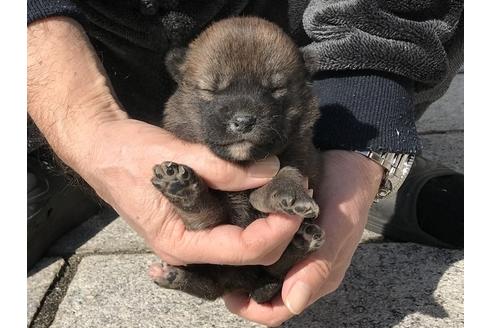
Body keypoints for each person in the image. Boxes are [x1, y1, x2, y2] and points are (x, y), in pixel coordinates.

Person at [27, 0, 464, 326]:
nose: (241, 116)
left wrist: (364, 129)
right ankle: (53, 158)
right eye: (215, 94)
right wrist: (86, 124)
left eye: (274, 91)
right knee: (204, 233)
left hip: (303, 36)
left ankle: (364, 167)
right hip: (82, 50)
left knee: (307, 171)